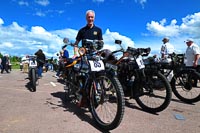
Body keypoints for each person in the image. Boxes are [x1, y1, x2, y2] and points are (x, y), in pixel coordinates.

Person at [73, 10, 104, 107]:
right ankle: (80, 94)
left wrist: (100, 47)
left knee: (98, 73)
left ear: (94, 18)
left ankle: (97, 91)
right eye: (89, 17)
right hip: (84, 56)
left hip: (95, 56)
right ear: (86, 18)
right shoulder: (82, 30)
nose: (90, 19)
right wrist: (76, 53)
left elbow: (101, 43)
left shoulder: (98, 30)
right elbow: (76, 44)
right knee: (82, 73)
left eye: (92, 17)